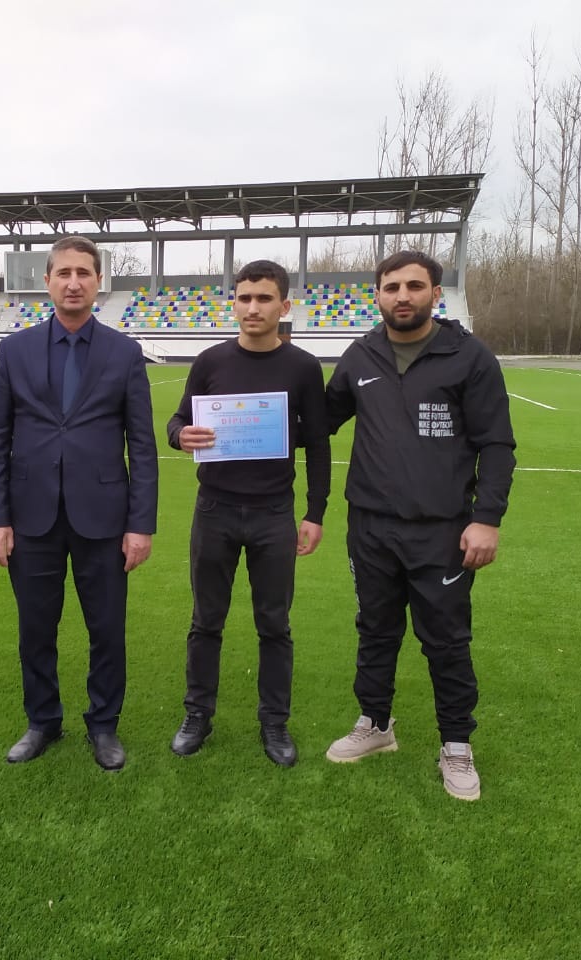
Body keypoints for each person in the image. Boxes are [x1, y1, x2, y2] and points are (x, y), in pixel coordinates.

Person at [323, 249, 516, 800]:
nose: (402, 296)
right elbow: (319, 420)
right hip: (370, 527)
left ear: (435, 293)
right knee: (375, 630)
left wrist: (487, 519)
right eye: (391, 287)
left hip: (442, 531)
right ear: (377, 295)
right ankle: (375, 724)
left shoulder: (470, 357)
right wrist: (233, 418)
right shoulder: (360, 355)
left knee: (446, 640)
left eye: (413, 286)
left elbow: (496, 445)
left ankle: (456, 744)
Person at [0, 236, 158, 771]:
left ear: (99, 281)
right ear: (47, 281)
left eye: (84, 273)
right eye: (64, 273)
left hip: (104, 518)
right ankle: (42, 721)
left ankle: (103, 724)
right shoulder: (16, 350)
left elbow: (142, 445)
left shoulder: (124, 353)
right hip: (31, 515)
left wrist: (141, 525)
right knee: (36, 629)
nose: (74, 282)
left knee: (107, 630)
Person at [166, 260, 330, 767]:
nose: (253, 307)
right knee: (205, 621)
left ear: (285, 306)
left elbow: (318, 444)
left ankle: (274, 722)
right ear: (233, 304)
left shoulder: (303, 367)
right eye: (244, 298)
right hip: (214, 509)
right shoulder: (210, 361)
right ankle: (198, 714)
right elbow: (179, 418)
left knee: (274, 624)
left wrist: (315, 512)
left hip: (273, 513)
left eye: (264, 298)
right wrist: (180, 435)